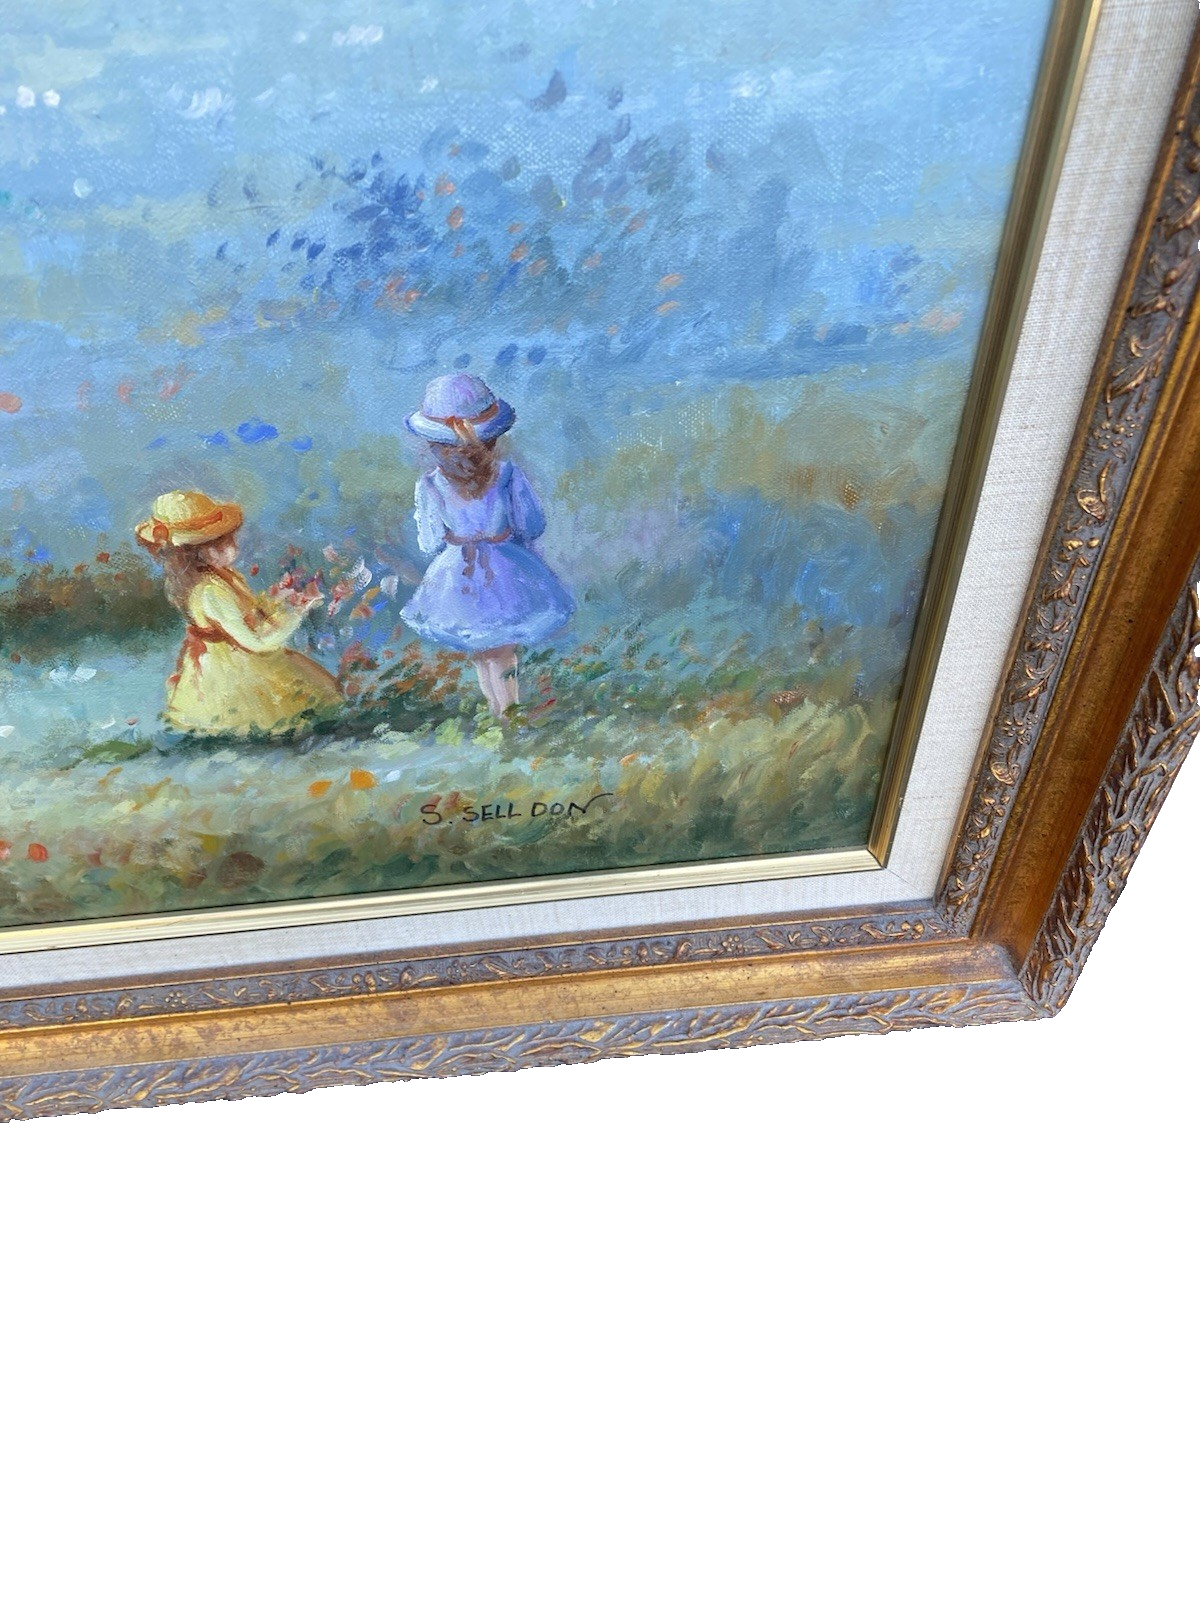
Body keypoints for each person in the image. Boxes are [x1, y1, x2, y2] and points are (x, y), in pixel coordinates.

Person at [400, 374, 575, 717]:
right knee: (502, 652)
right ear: (492, 439)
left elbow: (429, 542)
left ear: (434, 443)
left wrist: (460, 536)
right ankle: (508, 713)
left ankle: (501, 711)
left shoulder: (430, 485)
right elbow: (531, 525)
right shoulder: (507, 474)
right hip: (506, 568)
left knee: (483, 652)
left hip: (459, 573)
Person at [135, 489, 343, 737]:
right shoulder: (210, 592)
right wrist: (297, 611)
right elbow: (257, 642)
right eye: (224, 542)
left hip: (239, 654)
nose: (234, 546)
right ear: (199, 551)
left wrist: (278, 598)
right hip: (231, 671)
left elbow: (246, 612)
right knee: (278, 716)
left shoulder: (222, 576)